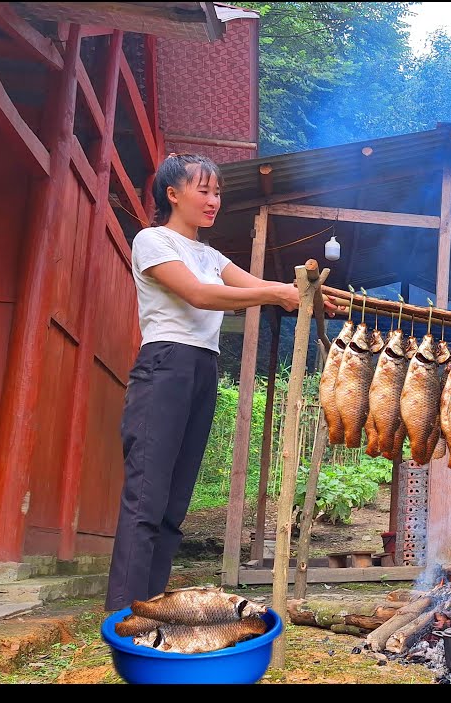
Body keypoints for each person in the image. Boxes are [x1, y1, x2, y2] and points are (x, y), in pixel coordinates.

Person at [105, 153, 340, 611]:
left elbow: (257, 285)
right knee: (146, 496)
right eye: (204, 191)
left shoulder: (211, 256)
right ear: (173, 194)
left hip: (203, 368)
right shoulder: (153, 240)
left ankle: (150, 608)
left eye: (217, 192)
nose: (213, 201)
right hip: (165, 365)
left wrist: (310, 294)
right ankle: (123, 615)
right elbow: (200, 294)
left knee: (175, 504)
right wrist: (278, 293)